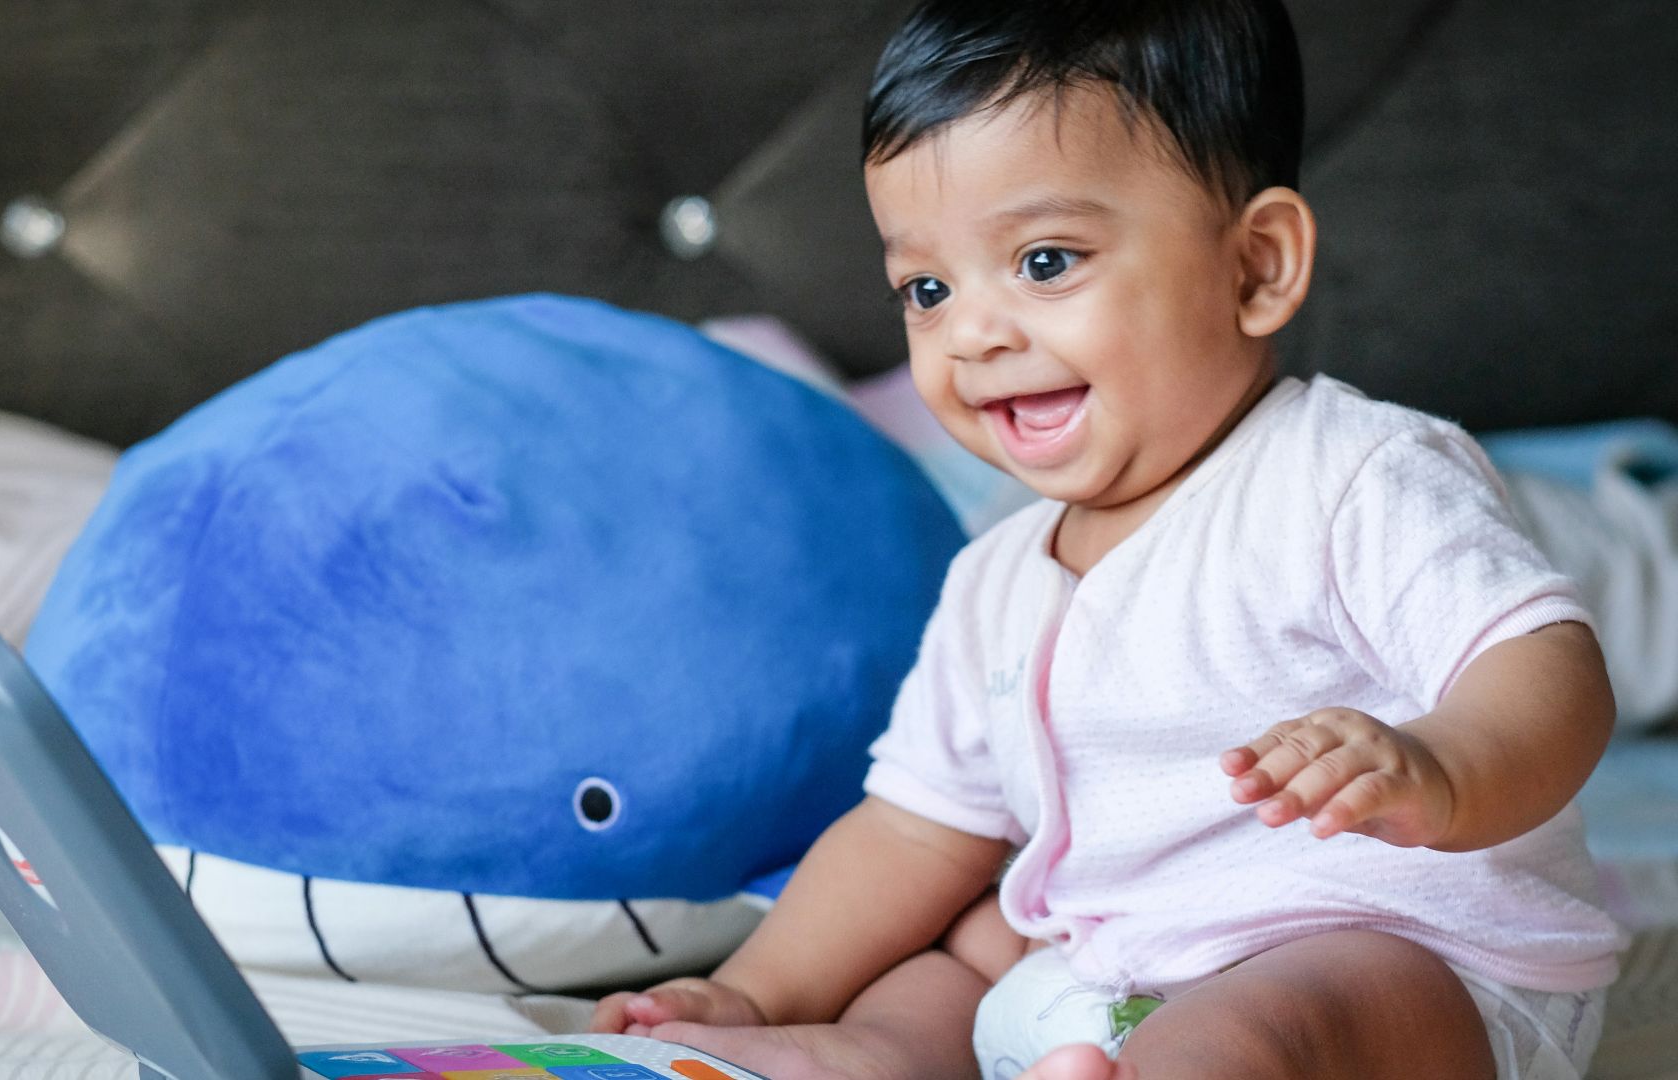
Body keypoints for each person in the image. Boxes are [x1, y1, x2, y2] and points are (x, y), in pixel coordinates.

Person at [591, 1, 1626, 1077]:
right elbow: (912, 831)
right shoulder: (995, 574)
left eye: (1044, 262)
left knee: (1288, 1007)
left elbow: (1545, 667)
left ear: (1256, 267)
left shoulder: (1351, 473)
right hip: (1110, 957)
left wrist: (1443, 769)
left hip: (1406, 974)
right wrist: (756, 985)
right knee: (953, 955)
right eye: (928, 289)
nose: (976, 333)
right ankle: (866, 1054)